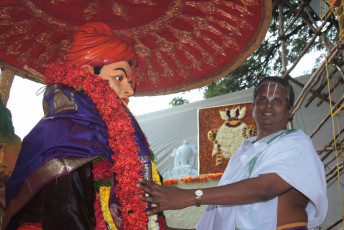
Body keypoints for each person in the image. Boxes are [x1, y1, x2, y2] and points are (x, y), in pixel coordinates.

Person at [3, 22, 162, 230]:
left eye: (130, 83)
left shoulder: (110, 137)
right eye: (119, 78)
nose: (129, 91)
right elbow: (68, 219)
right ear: (87, 74)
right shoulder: (61, 134)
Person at [137, 77, 328, 230]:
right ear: (252, 107)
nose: (268, 105)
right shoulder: (244, 152)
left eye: (277, 101)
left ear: (290, 110)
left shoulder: (296, 143)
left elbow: (264, 189)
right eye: (262, 99)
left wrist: (188, 196)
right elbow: (214, 223)